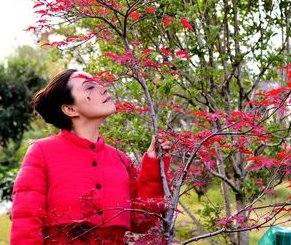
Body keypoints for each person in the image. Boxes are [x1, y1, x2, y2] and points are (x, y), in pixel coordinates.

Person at [10, 69, 171, 244]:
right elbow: (26, 223)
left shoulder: (120, 159)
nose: (103, 89)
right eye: (89, 87)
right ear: (70, 109)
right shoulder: (42, 152)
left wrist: (154, 164)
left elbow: (142, 222)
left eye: (99, 84)